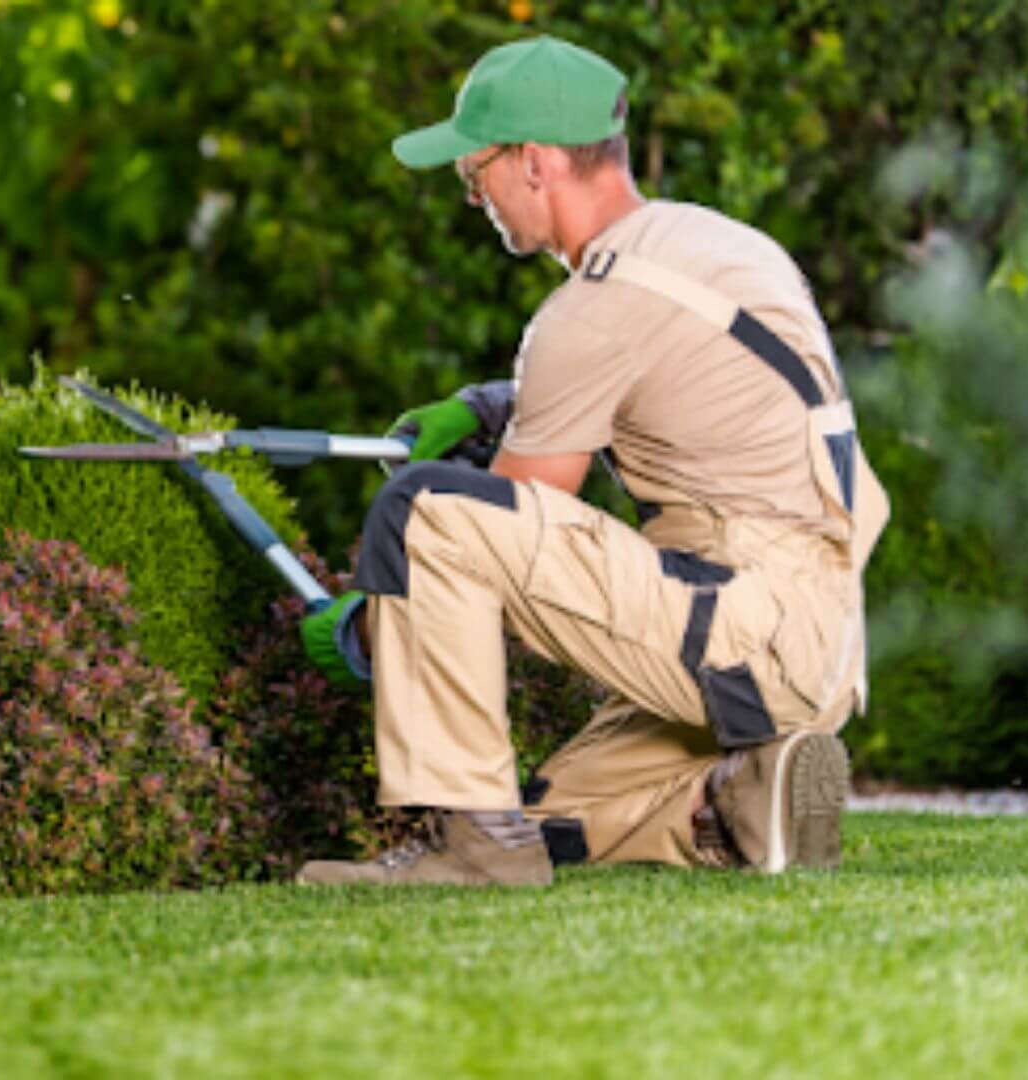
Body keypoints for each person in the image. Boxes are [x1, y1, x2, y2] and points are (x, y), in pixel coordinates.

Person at [296, 35, 889, 887]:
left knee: (424, 511)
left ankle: (475, 857)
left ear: (534, 163)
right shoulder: (710, 245)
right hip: (814, 641)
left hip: (743, 629)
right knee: (543, 816)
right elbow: (675, 385)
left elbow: (504, 541)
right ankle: (734, 801)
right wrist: (493, 405)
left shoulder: (591, 309)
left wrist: (364, 631)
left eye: (476, 166)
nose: (471, 192)